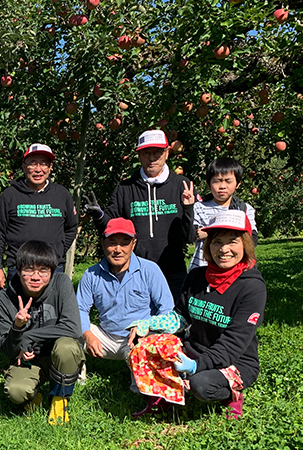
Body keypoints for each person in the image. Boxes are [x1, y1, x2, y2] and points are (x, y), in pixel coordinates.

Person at [130, 210, 266, 418]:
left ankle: (231, 396)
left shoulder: (252, 287)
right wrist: (148, 324)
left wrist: (196, 366)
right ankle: (164, 395)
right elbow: (180, 317)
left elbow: (233, 342)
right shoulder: (197, 276)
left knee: (201, 384)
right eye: (217, 241)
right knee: (147, 344)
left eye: (232, 242)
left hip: (236, 360)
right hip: (194, 350)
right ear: (208, 245)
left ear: (245, 245)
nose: (224, 249)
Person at [85, 130, 196, 299]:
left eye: (157, 153)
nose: (152, 158)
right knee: (136, 323)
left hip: (173, 271)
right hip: (135, 273)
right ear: (139, 155)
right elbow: (110, 228)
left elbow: (189, 236)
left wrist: (189, 209)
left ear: (167, 153)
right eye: (146, 153)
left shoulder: (182, 185)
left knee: (174, 322)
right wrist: (98, 215)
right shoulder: (125, 188)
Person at [0, 241, 84, 423]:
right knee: (16, 392)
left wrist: (29, 335)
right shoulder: (4, 299)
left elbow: (72, 328)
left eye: (43, 270)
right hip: (30, 361)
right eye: (29, 270)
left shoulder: (61, 284)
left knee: (66, 346)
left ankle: (60, 399)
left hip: (57, 355)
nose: (36, 277)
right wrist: (17, 327)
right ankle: (35, 394)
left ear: (51, 272)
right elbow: (7, 349)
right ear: (19, 271)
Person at [76, 218, 174, 372]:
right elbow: (80, 309)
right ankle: (74, 378)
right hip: (105, 337)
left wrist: (148, 330)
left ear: (133, 244)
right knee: (69, 333)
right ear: (102, 243)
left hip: (138, 338)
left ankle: (141, 386)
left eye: (124, 243)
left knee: (141, 383)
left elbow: (167, 309)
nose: (117, 249)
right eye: (112, 242)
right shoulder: (91, 274)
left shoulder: (150, 270)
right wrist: (88, 334)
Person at [0, 143, 78, 290]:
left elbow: (71, 227)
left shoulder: (62, 195)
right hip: (19, 269)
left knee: (52, 312)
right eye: (32, 163)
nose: (38, 169)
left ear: (50, 168)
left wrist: (57, 251)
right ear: (24, 167)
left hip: (53, 269)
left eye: (43, 164)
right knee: (19, 312)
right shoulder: (10, 195)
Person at [189, 157, 258, 270]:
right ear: (208, 184)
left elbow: (252, 238)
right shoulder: (199, 207)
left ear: (238, 184)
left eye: (228, 181)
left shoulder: (244, 209)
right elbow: (192, 235)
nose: (222, 186)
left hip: (235, 269)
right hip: (203, 268)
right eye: (217, 181)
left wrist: (207, 232)